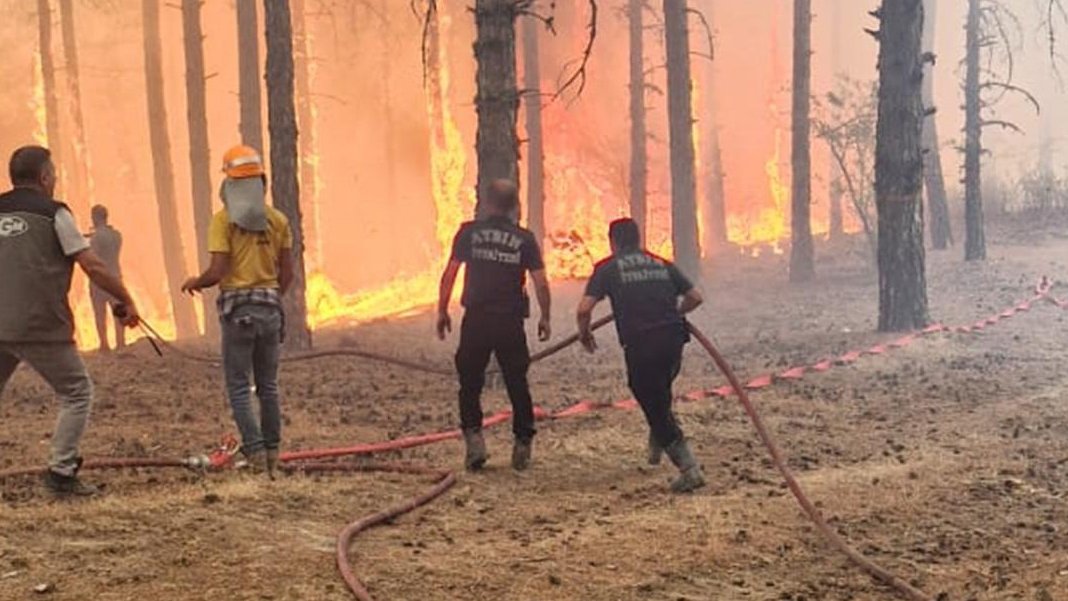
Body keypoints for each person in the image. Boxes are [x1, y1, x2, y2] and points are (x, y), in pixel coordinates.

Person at [0, 145, 140, 497]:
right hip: (40, 324)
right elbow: (92, 266)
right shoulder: (55, 214)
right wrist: (125, 299)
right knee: (76, 392)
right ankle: (61, 473)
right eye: (54, 175)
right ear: (45, 177)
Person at [181, 145, 293, 480]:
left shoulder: (222, 221)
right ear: (262, 183)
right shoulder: (278, 220)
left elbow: (218, 271)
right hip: (270, 308)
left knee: (240, 386)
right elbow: (287, 274)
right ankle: (273, 454)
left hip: (238, 311)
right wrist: (269, 297)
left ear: (229, 184)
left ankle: (256, 453)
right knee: (268, 385)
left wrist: (195, 282)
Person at [576, 218, 706, 493]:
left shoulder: (608, 267)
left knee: (650, 398)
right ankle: (658, 442)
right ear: (638, 239)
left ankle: (689, 468)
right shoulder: (661, 263)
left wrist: (585, 334)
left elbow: (584, 309)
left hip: (642, 343)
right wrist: (674, 314)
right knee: (660, 391)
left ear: (613, 241)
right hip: (674, 339)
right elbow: (695, 296)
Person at [437, 179, 551, 472]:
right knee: (516, 381)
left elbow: (449, 274)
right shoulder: (524, 239)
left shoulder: (468, 233)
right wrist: (545, 317)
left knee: (470, 382)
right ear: (515, 206)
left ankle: (474, 440)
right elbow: (540, 281)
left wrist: (442, 310)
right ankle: (523, 440)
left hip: (476, 319)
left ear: (486, 203)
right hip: (509, 321)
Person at [88, 205, 125, 352]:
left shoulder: (96, 237)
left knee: (100, 313)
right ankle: (121, 342)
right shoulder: (117, 235)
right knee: (119, 311)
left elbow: (93, 257)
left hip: (99, 280)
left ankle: (104, 344)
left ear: (95, 217)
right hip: (115, 276)